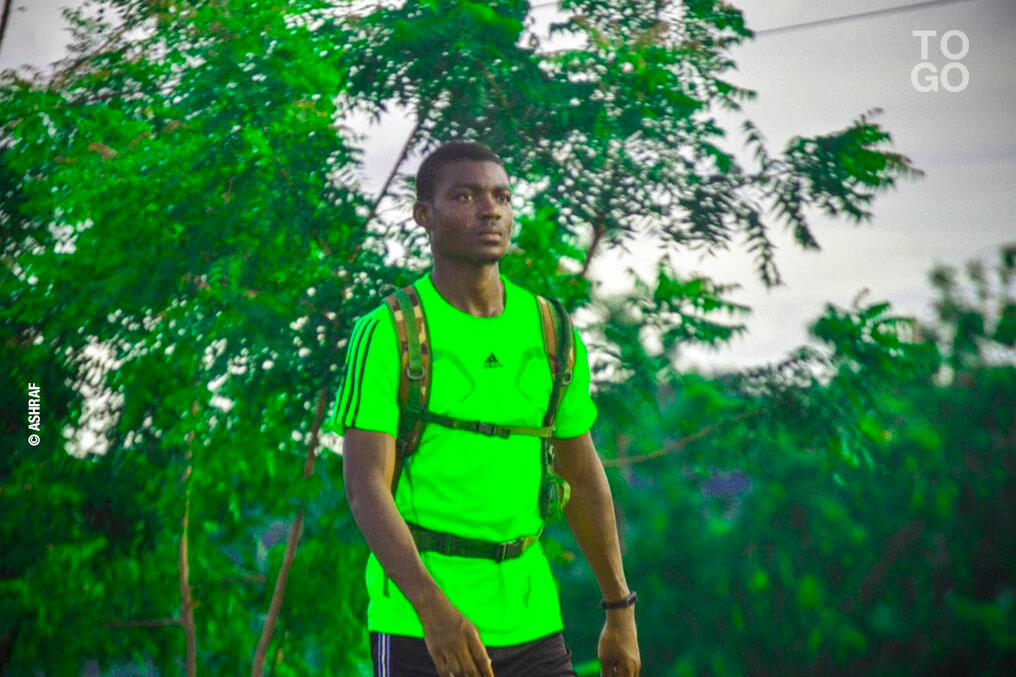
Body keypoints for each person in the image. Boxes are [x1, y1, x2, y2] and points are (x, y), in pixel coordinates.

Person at [327, 141, 640, 677]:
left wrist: (620, 608)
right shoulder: (388, 333)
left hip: (533, 623)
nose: (490, 210)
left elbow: (583, 477)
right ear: (424, 215)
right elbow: (365, 487)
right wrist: (433, 611)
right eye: (466, 196)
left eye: (502, 196)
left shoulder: (551, 330)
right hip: (420, 627)